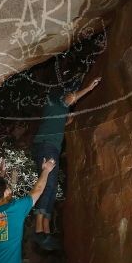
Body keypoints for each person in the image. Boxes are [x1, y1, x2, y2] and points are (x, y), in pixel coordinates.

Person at [31, 76, 101, 250]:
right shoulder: (57, 99)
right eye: (69, 94)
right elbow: (71, 98)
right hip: (47, 146)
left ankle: (46, 229)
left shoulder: (56, 108)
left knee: (53, 186)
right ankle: (39, 229)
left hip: (49, 146)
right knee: (48, 185)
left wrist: (69, 119)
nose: (71, 98)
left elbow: (63, 120)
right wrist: (89, 88)